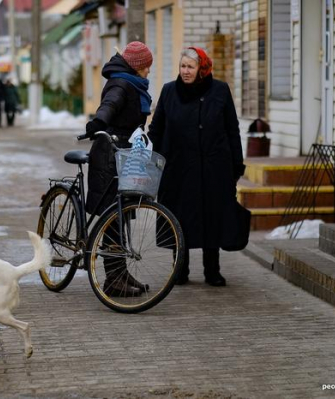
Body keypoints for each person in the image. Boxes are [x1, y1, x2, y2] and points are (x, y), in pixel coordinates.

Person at [148, 47, 245, 287]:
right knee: (178, 217)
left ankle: (212, 270)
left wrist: (236, 163)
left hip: (214, 167)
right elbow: (157, 128)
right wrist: (154, 159)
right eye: (182, 66)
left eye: (190, 67)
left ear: (202, 69)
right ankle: (179, 270)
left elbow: (232, 129)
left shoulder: (220, 90)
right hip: (178, 168)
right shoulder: (170, 91)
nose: (185, 71)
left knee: (212, 216)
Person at [85, 41, 153, 297]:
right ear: (137, 66)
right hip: (109, 155)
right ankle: (113, 279)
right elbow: (110, 104)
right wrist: (99, 121)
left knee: (121, 215)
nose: (149, 71)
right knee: (113, 218)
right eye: (147, 66)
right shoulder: (121, 83)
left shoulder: (130, 82)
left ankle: (120, 272)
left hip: (124, 153)